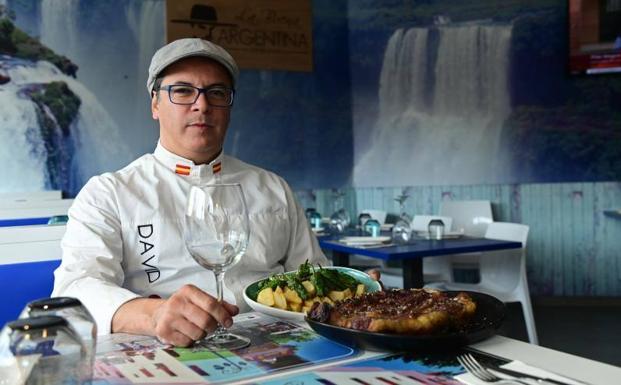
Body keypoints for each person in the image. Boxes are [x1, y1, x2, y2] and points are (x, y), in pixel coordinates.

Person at [52, 38, 342, 347]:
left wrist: (354, 295)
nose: (201, 105)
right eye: (182, 91)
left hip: (278, 350)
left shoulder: (272, 188)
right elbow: (75, 290)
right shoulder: (109, 194)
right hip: (164, 355)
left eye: (216, 93)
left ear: (229, 107)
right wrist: (153, 314)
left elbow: (316, 277)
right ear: (155, 103)